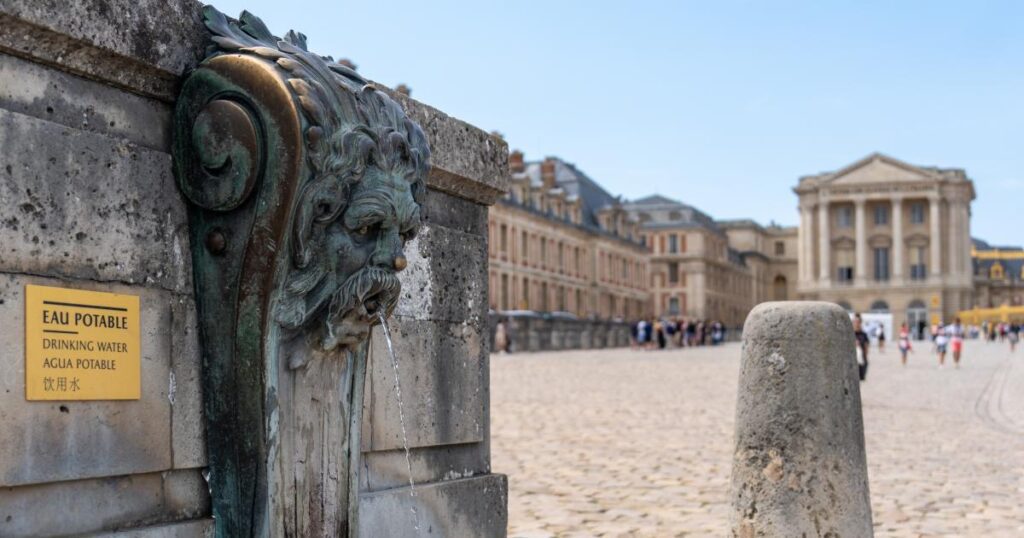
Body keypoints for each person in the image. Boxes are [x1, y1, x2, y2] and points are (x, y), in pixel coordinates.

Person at [853, 314, 870, 381]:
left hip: (861, 359)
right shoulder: (850, 334)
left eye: (858, 322)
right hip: (852, 361)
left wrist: (865, 357)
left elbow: (866, 346)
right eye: (855, 322)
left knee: (861, 379)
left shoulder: (864, 334)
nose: (856, 324)